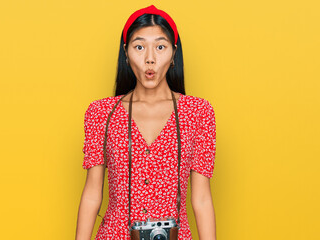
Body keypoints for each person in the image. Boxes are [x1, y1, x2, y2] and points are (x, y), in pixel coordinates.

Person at [76, 5, 217, 240]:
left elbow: (201, 199)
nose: (150, 59)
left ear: (173, 53)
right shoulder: (101, 113)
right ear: (126, 53)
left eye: (160, 47)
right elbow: (92, 193)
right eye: (139, 47)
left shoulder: (198, 112)